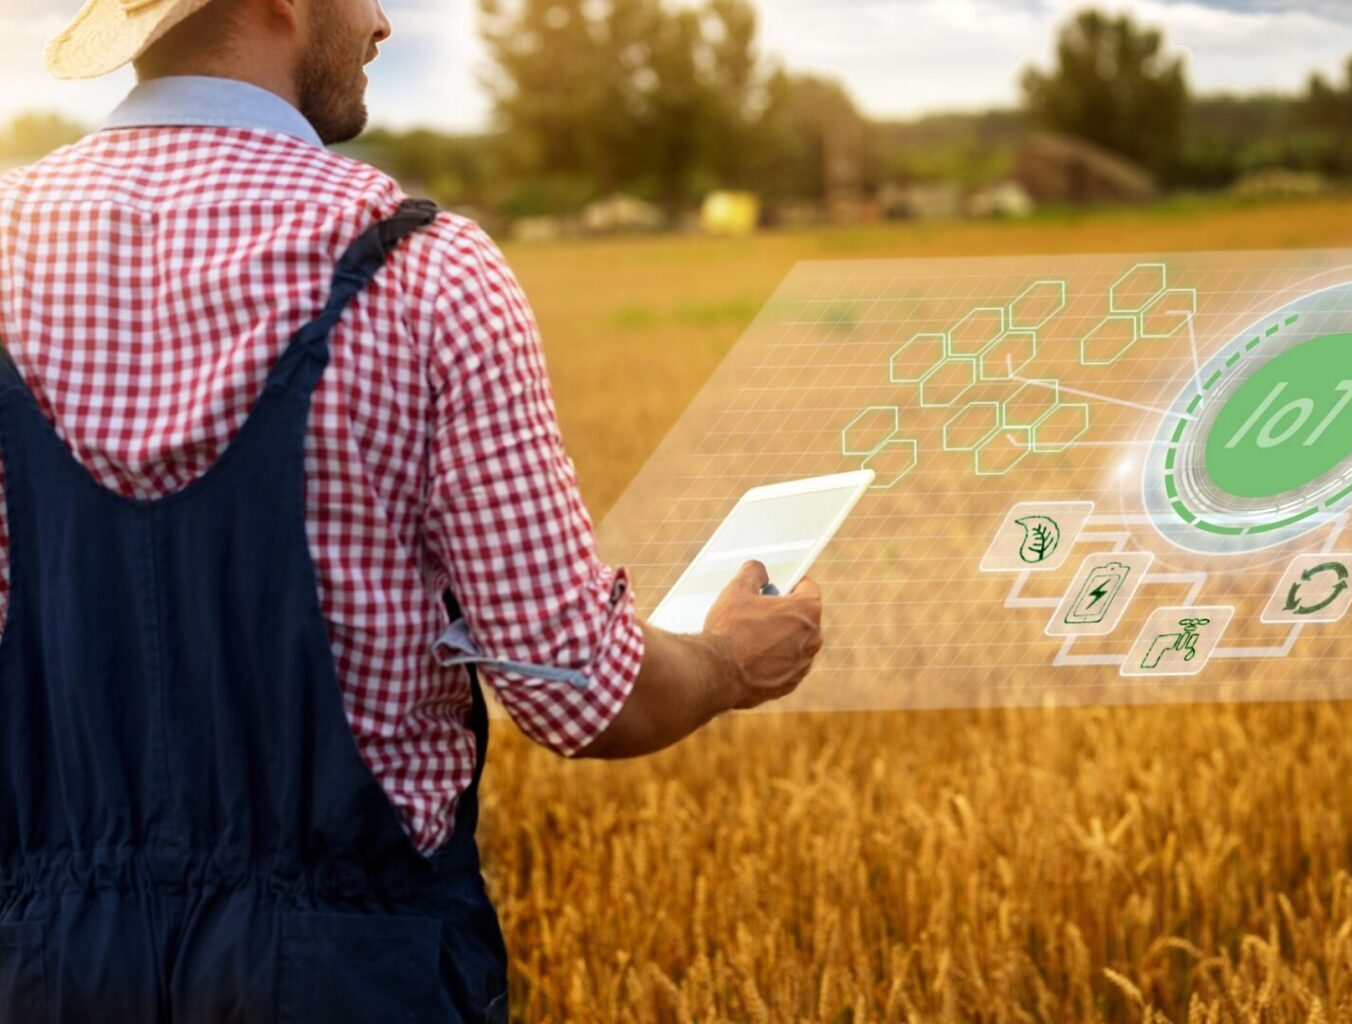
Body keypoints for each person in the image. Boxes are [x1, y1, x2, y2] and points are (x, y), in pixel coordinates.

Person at [0, 0, 824, 1020]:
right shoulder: (424, 272)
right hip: (348, 976)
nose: (383, 21)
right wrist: (730, 660)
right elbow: (581, 691)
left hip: (39, 971)